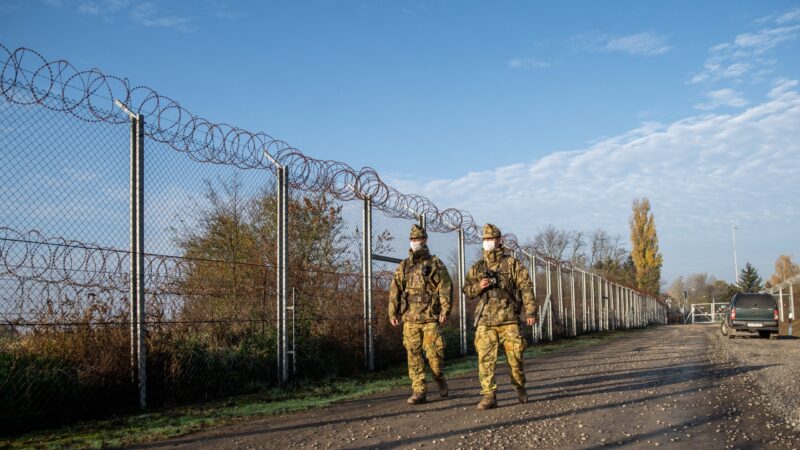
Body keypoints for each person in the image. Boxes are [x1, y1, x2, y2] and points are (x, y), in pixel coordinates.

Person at [463, 223, 537, 410]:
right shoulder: (477, 267)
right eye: (485, 239)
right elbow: (467, 290)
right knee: (485, 359)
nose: (488, 242)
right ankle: (489, 395)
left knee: (515, 359)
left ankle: (519, 385)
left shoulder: (511, 263)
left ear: (499, 240)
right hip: (485, 320)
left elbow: (526, 287)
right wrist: (479, 286)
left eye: (491, 239)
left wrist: (530, 311)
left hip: (509, 318)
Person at [389, 224, 453, 405]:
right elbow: (395, 290)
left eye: (419, 239)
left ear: (425, 240)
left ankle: (439, 378)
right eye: (413, 239)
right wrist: (393, 312)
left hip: (430, 317)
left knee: (434, 356)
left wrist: (445, 310)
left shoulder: (435, 263)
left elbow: (445, 287)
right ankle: (419, 391)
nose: (416, 242)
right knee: (413, 354)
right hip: (410, 317)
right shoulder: (404, 266)